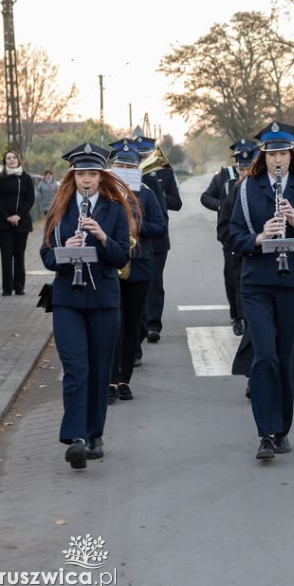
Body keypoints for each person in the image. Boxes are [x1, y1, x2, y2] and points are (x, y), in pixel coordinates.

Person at [229, 121, 294, 461]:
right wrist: (260, 237)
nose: (278, 160)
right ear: (264, 156)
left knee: (285, 355)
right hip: (256, 281)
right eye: (272, 154)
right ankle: (266, 433)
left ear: (291, 154)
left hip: (293, 281)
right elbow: (232, 237)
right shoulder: (246, 189)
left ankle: (282, 427)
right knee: (265, 355)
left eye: (283, 153)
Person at [39, 143, 135, 468]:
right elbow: (47, 256)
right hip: (68, 299)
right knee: (76, 369)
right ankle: (76, 437)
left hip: (104, 301)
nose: (86, 180)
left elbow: (122, 257)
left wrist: (104, 238)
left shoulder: (114, 210)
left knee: (98, 369)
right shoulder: (60, 209)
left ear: (101, 177)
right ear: (73, 176)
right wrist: (65, 249)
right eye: (81, 174)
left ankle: (95, 434)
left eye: (93, 174)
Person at [107, 140, 166, 403]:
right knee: (112, 324)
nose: (125, 168)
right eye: (120, 165)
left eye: (129, 165)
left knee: (131, 325)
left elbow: (159, 226)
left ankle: (124, 379)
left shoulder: (147, 193)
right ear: (113, 167)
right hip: (110, 265)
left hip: (139, 266)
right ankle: (109, 378)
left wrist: (134, 226)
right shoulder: (105, 194)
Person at [201, 139, 257, 336]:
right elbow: (205, 197)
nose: (244, 172)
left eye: (247, 167)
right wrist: (222, 205)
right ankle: (236, 315)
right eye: (241, 168)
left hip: (252, 237)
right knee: (232, 278)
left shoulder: (258, 180)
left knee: (248, 277)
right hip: (230, 237)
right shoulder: (224, 177)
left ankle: (247, 316)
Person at [135, 135, 181, 344]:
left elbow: (176, 203)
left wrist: (158, 193)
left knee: (154, 281)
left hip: (158, 238)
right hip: (134, 236)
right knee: (138, 282)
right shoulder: (130, 172)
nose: (144, 155)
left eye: (147, 152)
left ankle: (153, 325)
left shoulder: (164, 172)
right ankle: (140, 325)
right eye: (141, 152)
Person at [0, 150, 36, 296]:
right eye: (8, 158)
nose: (11, 160)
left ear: (18, 160)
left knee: (19, 255)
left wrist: (18, 216)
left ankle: (19, 287)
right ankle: (7, 288)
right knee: (6, 256)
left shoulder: (26, 178)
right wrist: (7, 217)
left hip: (22, 223)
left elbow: (30, 199)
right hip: (3, 223)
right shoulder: (0, 178)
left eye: (14, 157)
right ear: (5, 162)